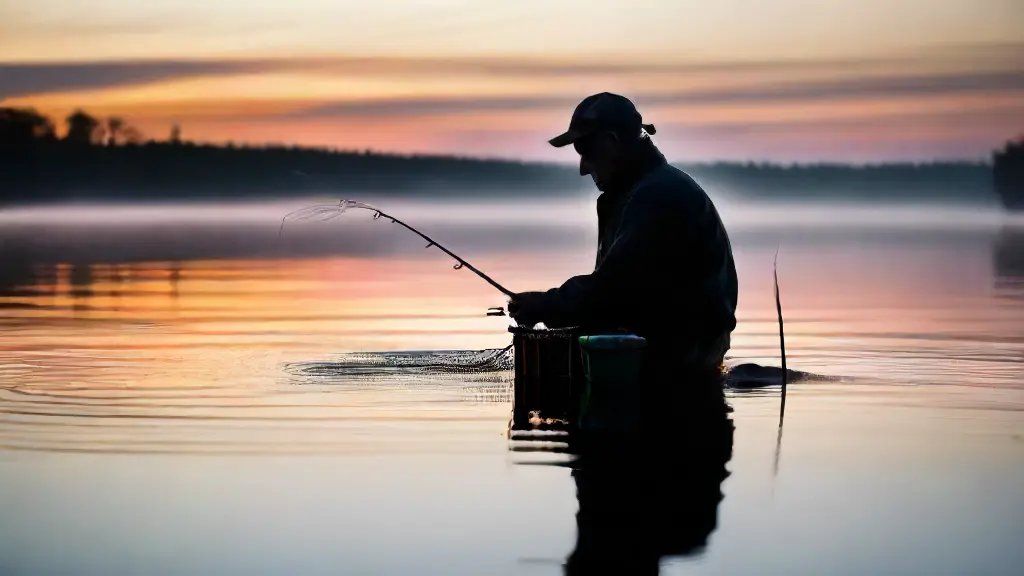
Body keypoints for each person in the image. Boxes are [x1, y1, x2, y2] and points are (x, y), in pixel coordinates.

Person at [508, 92, 738, 394]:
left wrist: (548, 305)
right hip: (672, 349)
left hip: (681, 357)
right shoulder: (639, 193)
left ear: (613, 141)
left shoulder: (659, 196)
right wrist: (552, 304)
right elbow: (620, 293)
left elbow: (613, 289)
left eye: (585, 149)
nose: (583, 167)